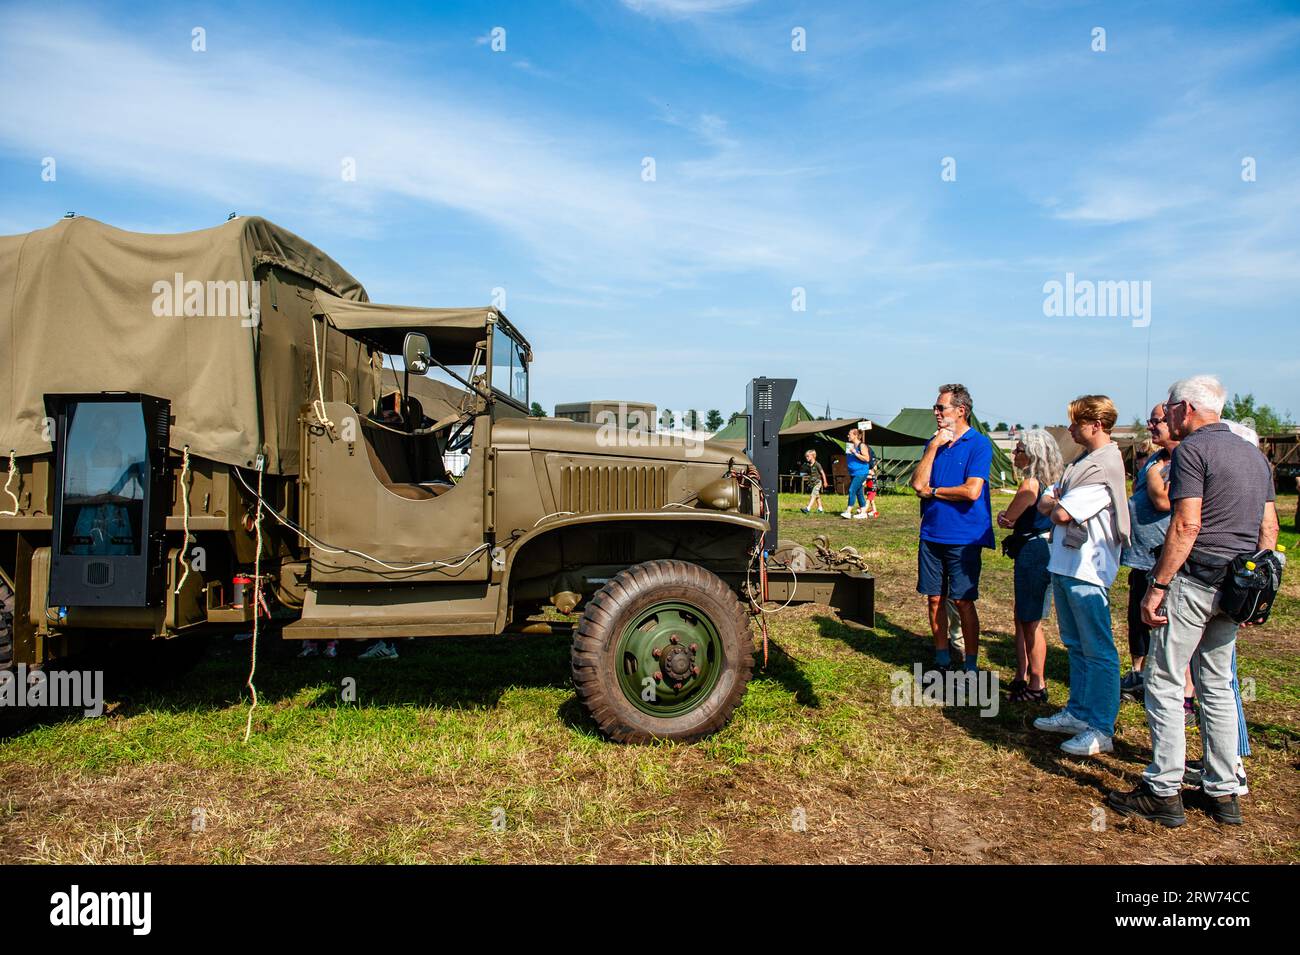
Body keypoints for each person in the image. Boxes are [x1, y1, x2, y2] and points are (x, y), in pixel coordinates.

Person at [1109, 376, 1279, 828]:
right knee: (1217, 685)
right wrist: (1255, 593)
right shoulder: (1254, 456)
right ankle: (1223, 790)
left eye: (1168, 407)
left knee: (1164, 680)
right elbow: (1269, 529)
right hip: (1238, 585)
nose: (1165, 415)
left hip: (1197, 579)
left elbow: (1186, 524)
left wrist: (1158, 585)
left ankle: (1163, 788)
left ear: (1186, 408)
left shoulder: (1192, 452)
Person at [1031, 396, 1130, 757]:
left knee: (1098, 649)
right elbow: (1047, 501)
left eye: (1075, 423)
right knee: (1075, 643)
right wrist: (1055, 502)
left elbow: (1058, 512)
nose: (1070, 430)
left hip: (1088, 567)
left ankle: (1101, 726)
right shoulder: (1083, 461)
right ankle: (1079, 711)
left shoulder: (1104, 466)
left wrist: (1056, 502)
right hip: (1065, 563)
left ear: (1095, 424)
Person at [910, 384, 995, 672]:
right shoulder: (932, 444)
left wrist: (934, 492)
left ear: (961, 411)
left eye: (940, 407)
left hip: (964, 535)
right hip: (931, 533)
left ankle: (970, 662)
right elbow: (917, 484)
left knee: (962, 600)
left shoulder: (979, 444)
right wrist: (933, 447)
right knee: (935, 599)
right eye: (936, 407)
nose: (935, 412)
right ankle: (942, 655)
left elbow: (971, 491)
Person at [996, 429, 1063, 703]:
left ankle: (1037, 683)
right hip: (1048, 548)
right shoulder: (1055, 482)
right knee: (1025, 615)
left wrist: (1004, 517)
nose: (1014, 454)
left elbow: (1008, 519)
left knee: (1030, 619)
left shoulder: (1029, 485)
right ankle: (1023, 674)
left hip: (1032, 553)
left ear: (1032, 454)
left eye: (1019, 450)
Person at [1119, 404, 1178, 703]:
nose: (1151, 426)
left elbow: (1164, 502)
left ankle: (1159, 680)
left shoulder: (1177, 460)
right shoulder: (1157, 457)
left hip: (1161, 557)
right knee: (1137, 616)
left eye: (1156, 422)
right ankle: (1138, 673)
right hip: (1141, 556)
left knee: (1160, 619)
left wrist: (1153, 474)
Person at [842, 429, 873, 520]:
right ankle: (863, 512)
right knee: (859, 492)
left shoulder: (861, 445)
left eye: (849, 434)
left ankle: (848, 511)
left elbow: (867, 459)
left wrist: (855, 453)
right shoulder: (851, 445)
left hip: (861, 472)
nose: (848, 436)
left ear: (855, 435)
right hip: (853, 472)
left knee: (852, 490)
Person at [800, 448, 827, 514]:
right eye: (806, 456)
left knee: (813, 495)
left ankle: (808, 509)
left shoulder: (817, 464)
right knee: (817, 496)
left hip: (818, 482)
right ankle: (820, 509)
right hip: (813, 483)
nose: (806, 457)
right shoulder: (809, 465)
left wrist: (825, 482)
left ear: (813, 456)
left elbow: (822, 473)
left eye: (808, 456)